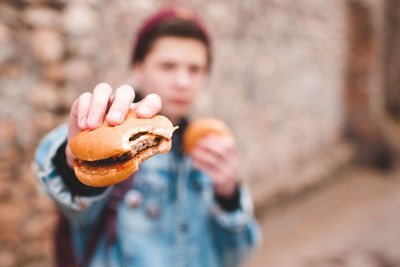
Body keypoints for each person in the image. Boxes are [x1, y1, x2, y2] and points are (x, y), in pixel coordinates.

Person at [35, 6, 261, 267]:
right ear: (138, 67)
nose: (182, 81)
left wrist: (228, 196)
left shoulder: (208, 153)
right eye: (168, 66)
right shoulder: (104, 132)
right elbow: (73, 206)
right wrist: (74, 164)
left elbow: (237, 257)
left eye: (195, 69)